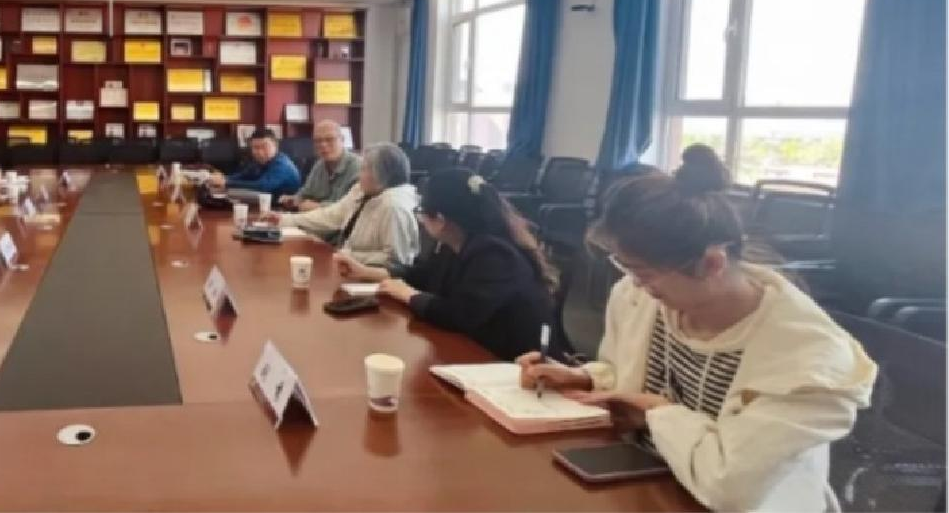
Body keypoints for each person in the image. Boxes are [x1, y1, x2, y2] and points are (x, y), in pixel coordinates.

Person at [517, 153, 877, 511]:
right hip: (647, 478)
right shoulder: (640, 297)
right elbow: (628, 372)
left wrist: (658, 412)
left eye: (645, 272)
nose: (636, 284)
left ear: (712, 263)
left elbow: (729, 487)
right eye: (627, 268)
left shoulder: (811, 360)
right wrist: (586, 378)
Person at [338, 168, 557, 360]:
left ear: (441, 220)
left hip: (514, 362)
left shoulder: (494, 255)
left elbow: (459, 315)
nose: (421, 220)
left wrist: (409, 295)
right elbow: (424, 276)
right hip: (478, 347)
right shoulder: (454, 243)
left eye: (421, 213)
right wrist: (367, 272)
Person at [267, 144, 419, 267]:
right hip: (347, 265)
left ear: (380, 175)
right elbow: (332, 215)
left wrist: (348, 255)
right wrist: (286, 219)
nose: (359, 175)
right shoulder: (362, 190)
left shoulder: (394, 207)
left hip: (374, 280)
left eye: (364, 169)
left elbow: (397, 261)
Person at [280, 120, 360, 211]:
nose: (323, 145)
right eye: (318, 141)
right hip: (316, 218)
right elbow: (306, 192)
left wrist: (318, 207)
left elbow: (353, 206)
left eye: (329, 139)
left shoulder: (358, 167)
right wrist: (295, 199)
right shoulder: (319, 165)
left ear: (342, 140)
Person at [206, 127, 301, 197]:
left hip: (284, 210)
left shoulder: (282, 164)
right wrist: (222, 179)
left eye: (264, 147)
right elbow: (243, 176)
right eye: (255, 147)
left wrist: (226, 183)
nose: (259, 152)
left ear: (276, 146)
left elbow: (263, 185)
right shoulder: (259, 162)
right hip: (264, 204)